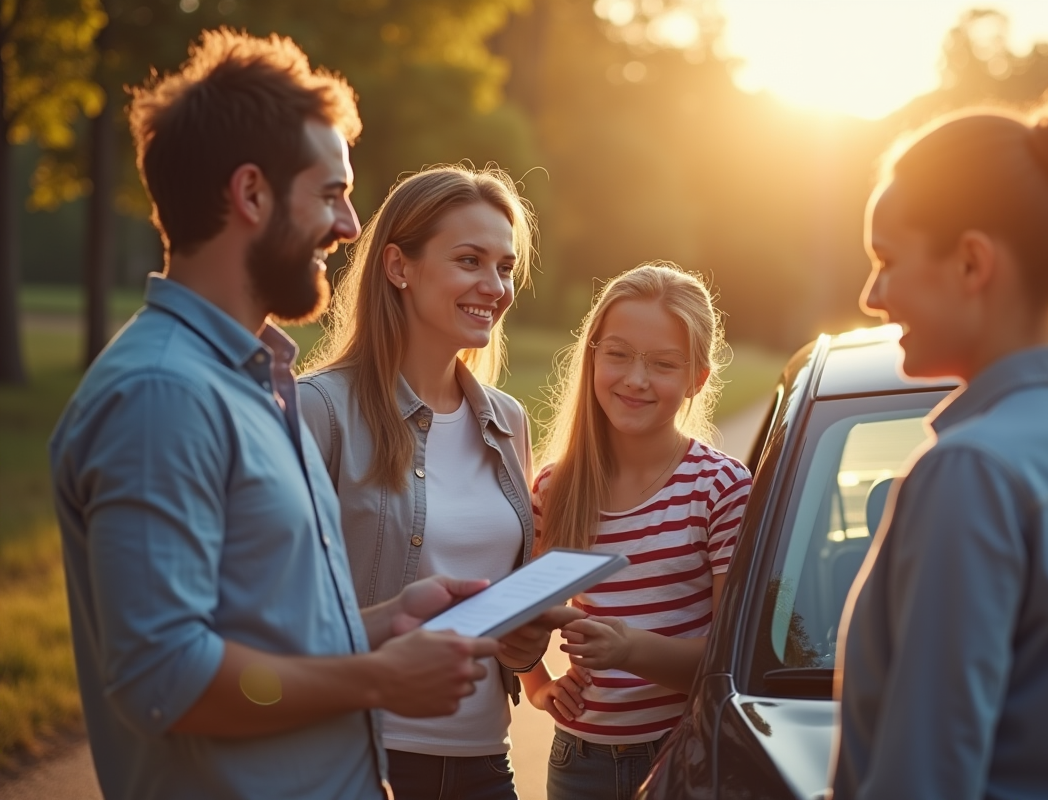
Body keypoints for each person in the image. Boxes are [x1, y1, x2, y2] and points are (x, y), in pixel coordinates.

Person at [49, 30, 501, 800]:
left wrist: (389, 621)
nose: (351, 226)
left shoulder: (255, 379)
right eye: (331, 194)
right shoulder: (164, 396)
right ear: (251, 193)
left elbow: (263, 645)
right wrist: (374, 679)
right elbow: (170, 679)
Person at [830, 94, 1048, 799]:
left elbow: (923, 779)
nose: (873, 294)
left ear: (971, 263)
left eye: (888, 260)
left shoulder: (971, 470)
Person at [298, 164, 583, 800]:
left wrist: (524, 635)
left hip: (484, 757)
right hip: (360, 756)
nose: (496, 286)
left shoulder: (505, 420)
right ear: (399, 267)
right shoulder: (318, 411)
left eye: (506, 267)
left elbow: (500, 631)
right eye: (469, 260)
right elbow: (276, 615)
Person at [520, 262, 753, 800]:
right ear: (593, 355)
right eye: (618, 354)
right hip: (578, 762)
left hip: (684, 756)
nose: (635, 379)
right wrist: (537, 686)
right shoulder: (555, 488)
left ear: (697, 377)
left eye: (663, 363)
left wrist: (627, 648)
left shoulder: (719, 487)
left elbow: (728, 661)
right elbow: (516, 614)